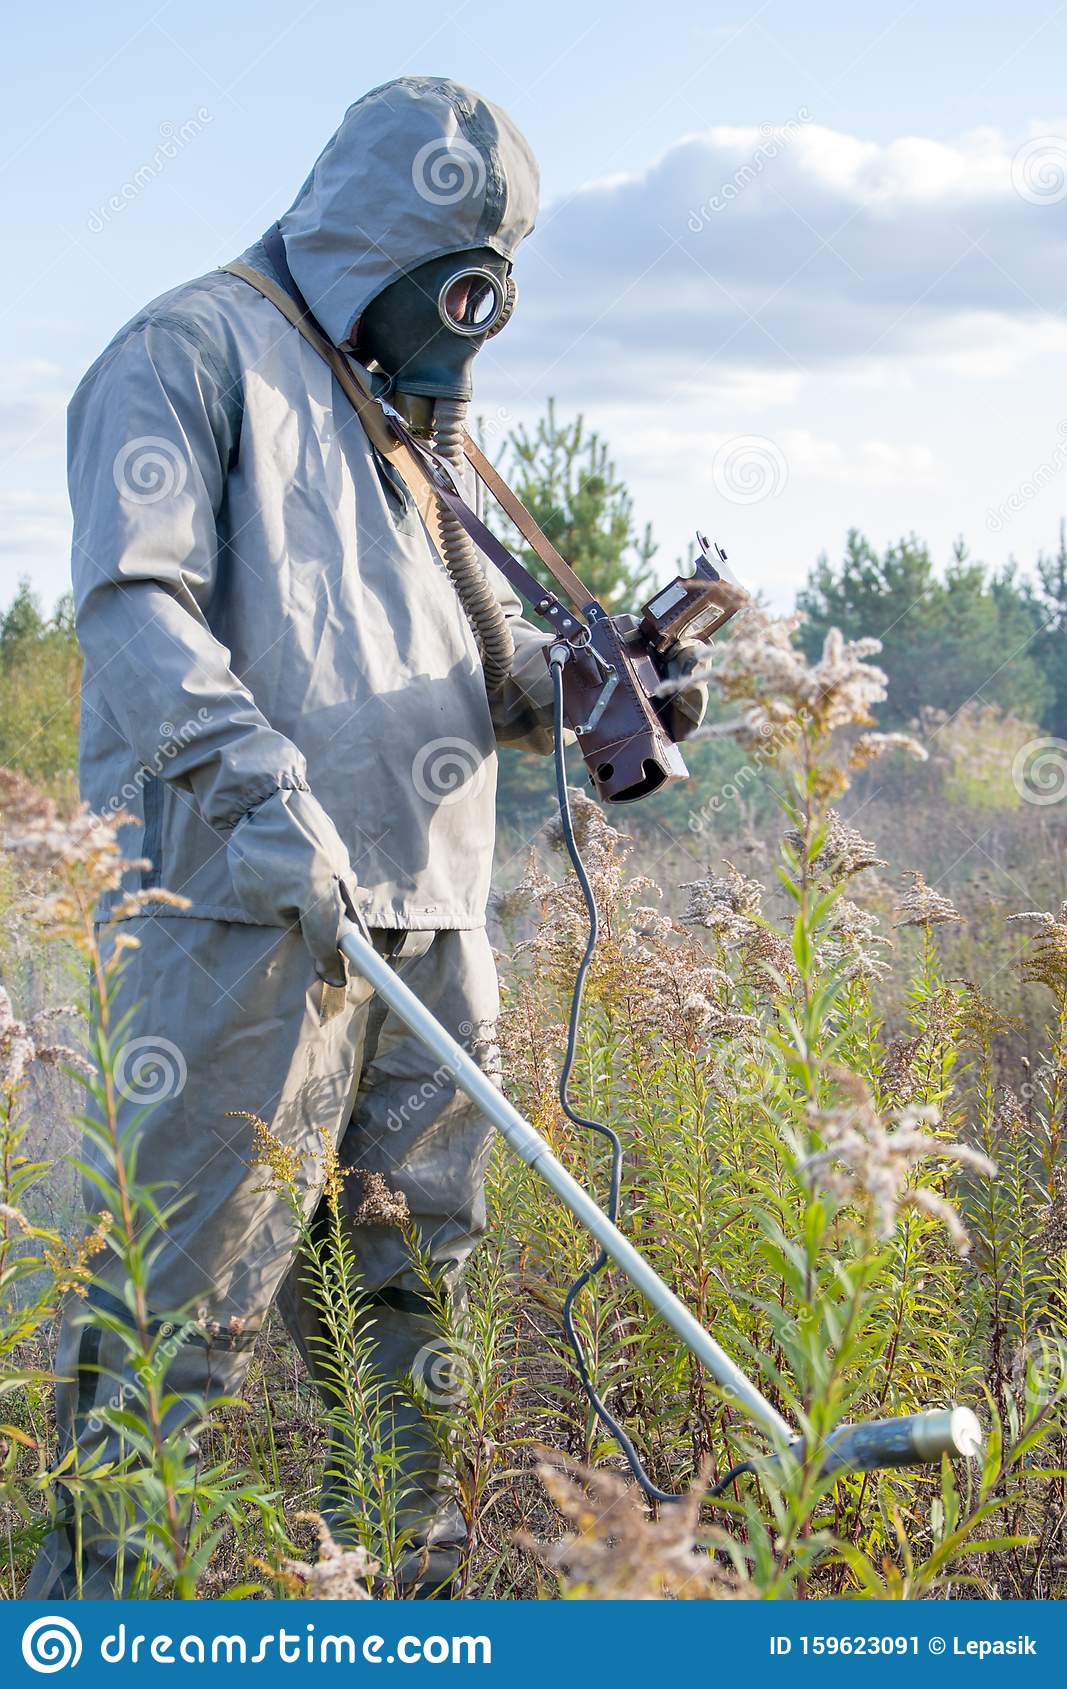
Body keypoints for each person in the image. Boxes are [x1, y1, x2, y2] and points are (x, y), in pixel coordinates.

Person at [28, 76, 705, 1600]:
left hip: (430, 919)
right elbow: (135, 610)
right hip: (240, 916)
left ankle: (403, 1602)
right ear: (372, 245)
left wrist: (593, 689)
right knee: (176, 1310)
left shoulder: (408, 427)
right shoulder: (185, 352)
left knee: (410, 1297)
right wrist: (255, 792)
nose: (467, 332)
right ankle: (100, 1615)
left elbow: (453, 669)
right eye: (456, 289)